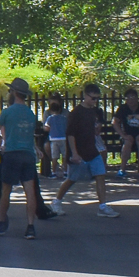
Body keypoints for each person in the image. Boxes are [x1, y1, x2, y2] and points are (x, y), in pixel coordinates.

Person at [0, 79, 43, 238]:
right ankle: (30, 226)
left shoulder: (7, 112)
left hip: (12, 154)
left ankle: (0, 221)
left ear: (14, 93)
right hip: (28, 155)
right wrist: (35, 148)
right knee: (30, 191)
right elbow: (29, 135)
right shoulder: (30, 113)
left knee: (6, 190)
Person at [55, 83, 119, 217]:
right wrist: (74, 153)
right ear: (85, 96)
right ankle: (56, 201)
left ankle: (103, 206)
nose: (95, 101)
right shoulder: (76, 113)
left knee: (100, 175)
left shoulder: (94, 111)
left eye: (97, 98)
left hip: (92, 151)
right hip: (79, 152)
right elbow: (70, 134)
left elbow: (94, 129)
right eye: (93, 98)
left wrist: (97, 129)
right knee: (72, 179)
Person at [43, 96, 70, 177]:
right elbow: (45, 127)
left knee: (64, 153)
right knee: (47, 146)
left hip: (62, 136)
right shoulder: (47, 113)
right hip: (52, 136)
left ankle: (61, 169)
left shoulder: (65, 113)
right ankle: (58, 167)